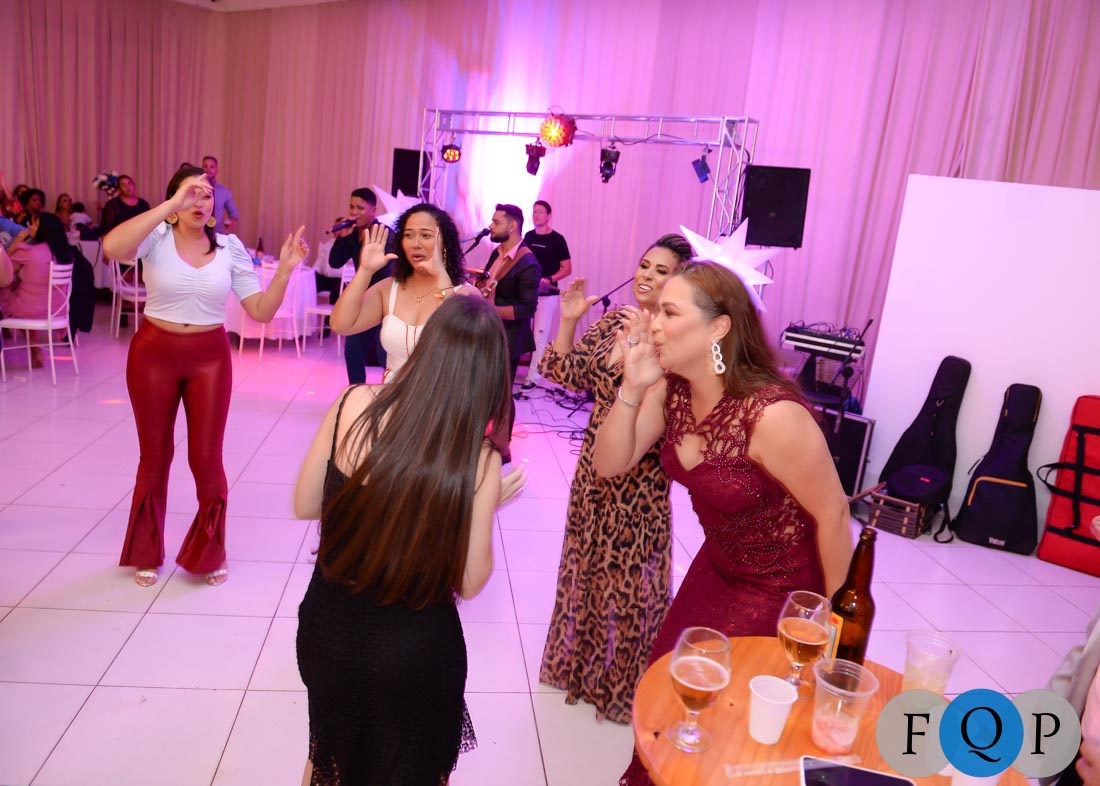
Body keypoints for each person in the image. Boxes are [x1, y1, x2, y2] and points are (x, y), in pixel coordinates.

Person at [592, 261, 854, 786]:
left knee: (728, 724)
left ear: (718, 327)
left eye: (669, 313)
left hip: (783, 589)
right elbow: (609, 463)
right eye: (655, 311)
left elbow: (833, 515)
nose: (653, 324)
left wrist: (833, 632)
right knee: (671, 693)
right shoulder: (673, 390)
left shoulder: (772, 416)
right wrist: (632, 388)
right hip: (716, 568)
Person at [294, 295, 526, 786]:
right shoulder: (477, 456)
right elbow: (469, 581)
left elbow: (305, 502)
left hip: (327, 632)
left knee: (328, 754)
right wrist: (478, 507)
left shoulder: (353, 402)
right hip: (411, 653)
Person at [102, 164, 308, 588]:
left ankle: (211, 550)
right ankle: (146, 550)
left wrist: (285, 270)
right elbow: (112, 247)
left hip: (209, 358)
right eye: (190, 193)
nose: (201, 201)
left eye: (207, 194)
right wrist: (168, 208)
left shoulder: (230, 247)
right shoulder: (154, 238)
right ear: (175, 200)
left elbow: (260, 311)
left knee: (206, 457)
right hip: (153, 354)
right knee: (154, 456)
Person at [537, 233, 692, 723]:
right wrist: (568, 320)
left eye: (661, 270)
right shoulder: (615, 322)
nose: (647, 275)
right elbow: (561, 371)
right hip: (591, 471)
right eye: (644, 265)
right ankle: (581, 673)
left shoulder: (674, 345)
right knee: (585, 571)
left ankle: (626, 689)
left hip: (637, 482)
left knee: (629, 590)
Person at [330, 202, 476, 384]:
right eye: (408, 235)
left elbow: (453, 343)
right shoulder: (388, 289)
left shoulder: (466, 294)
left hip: (441, 397)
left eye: (425, 235)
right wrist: (365, 271)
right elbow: (340, 324)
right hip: (393, 395)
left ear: (445, 242)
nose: (416, 243)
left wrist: (440, 276)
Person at [327, 188, 394, 383]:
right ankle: (356, 393)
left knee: (385, 356)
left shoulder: (384, 234)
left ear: (373, 210)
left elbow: (387, 271)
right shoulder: (351, 234)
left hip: (385, 301)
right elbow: (334, 262)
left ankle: (390, 396)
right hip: (364, 300)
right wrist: (342, 238)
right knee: (353, 351)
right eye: (351, 207)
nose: (354, 212)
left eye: (360, 208)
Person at [522, 200, 572, 389]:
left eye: (541, 211)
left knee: (540, 336)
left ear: (549, 216)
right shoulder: (528, 236)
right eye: (534, 211)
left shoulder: (557, 239)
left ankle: (532, 378)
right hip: (526, 293)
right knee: (520, 332)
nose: (536, 215)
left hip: (547, 295)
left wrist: (550, 279)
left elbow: (567, 268)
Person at [201, 155, 239, 233]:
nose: (208, 169)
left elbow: (234, 213)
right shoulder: (195, 189)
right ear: (202, 169)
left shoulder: (224, 192)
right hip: (197, 234)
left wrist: (233, 221)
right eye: (205, 166)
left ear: (217, 170)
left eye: (212, 167)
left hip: (217, 234)